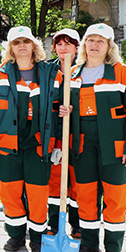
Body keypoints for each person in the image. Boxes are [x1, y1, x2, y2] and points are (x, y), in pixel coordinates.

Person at [58, 23, 126, 252]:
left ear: (109, 47)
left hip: (115, 148)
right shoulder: (72, 74)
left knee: (115, 200)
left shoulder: (123, 74)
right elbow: (69, 107)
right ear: (84, 45)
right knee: (85, 197)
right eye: (90, 40)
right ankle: (90, 245)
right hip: (82, 146)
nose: (94, 45)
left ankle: (114, 251)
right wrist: (67, 110)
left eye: (101, 41)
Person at [0, 26, 57, 252]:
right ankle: (16, 235)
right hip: (7, 144)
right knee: (10, 192)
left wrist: (59, 143)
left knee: (38, 193)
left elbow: (61, 110)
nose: (22, 45)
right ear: (10, 48)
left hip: (38, 145)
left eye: (26, 41)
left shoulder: (51, 74)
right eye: (16, 42)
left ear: (34, 46)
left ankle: (38, 238)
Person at [47, 28, 81, 238]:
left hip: (78, 136)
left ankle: (77, 226)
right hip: (54, 137)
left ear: (77, 48)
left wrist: (72, 108)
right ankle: (54, 225)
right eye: (59, 44)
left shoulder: (84, 70)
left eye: (68, 43)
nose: (63, 47)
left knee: (77, 184)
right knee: (54, 183)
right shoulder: (47, 71)